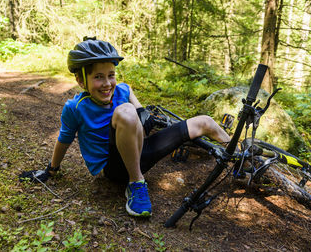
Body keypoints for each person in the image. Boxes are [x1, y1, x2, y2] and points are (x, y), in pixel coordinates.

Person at [20, 37, 231, 217]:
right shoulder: (75, 108)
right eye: (98, 77)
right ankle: (136, 184)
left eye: (110, 75)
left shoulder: (122, 89)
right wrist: (51, 170)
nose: (107, 83)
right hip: (114, 168)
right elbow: (64, 139)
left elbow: (133, 104)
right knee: (126, 111)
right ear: (81, 81)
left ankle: (241, 158)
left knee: (204, 121)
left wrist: (143, 112)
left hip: (140, 151)